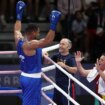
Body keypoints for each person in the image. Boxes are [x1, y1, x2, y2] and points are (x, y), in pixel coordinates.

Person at [14, 1, 61, 105]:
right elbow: (47, 41)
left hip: (25, 76)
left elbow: (17, 29)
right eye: (38, 32)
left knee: (31, 102)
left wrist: (18, 15)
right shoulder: (31, 44)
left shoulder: (19, 39)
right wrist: (53, 24)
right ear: (33, 33)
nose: (39, 34)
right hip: (32, 79)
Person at [50, 38, 77, 105]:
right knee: (55, 103)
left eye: (63, 44)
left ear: (68, 47)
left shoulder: (71, 58)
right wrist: (45, 55)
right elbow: (47, 62)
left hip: (67, 86)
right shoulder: (57, 56)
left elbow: (75, 70)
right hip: (57, 85)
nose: (60, 46)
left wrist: (64, 66)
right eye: (60, 43)